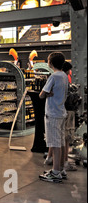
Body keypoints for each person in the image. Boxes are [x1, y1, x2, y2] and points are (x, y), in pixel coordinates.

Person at [38, 52, 68, 183]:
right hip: (61, 112)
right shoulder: (64, 76)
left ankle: (55, 172)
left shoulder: (53, 76)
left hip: (53, 113)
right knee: (60, 142)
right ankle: (60, 169)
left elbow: (41, 95)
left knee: (54, 144)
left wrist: (47, 93)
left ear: (50, 63)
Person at [62, 61, 78, 172]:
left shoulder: (59, 79)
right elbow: (68, 97)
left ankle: (55, 160)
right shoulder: (64, 79)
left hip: (60, 112)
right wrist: (75, 95)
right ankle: (64, 162)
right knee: (66, 137)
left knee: (61, 138)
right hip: (67, 111)